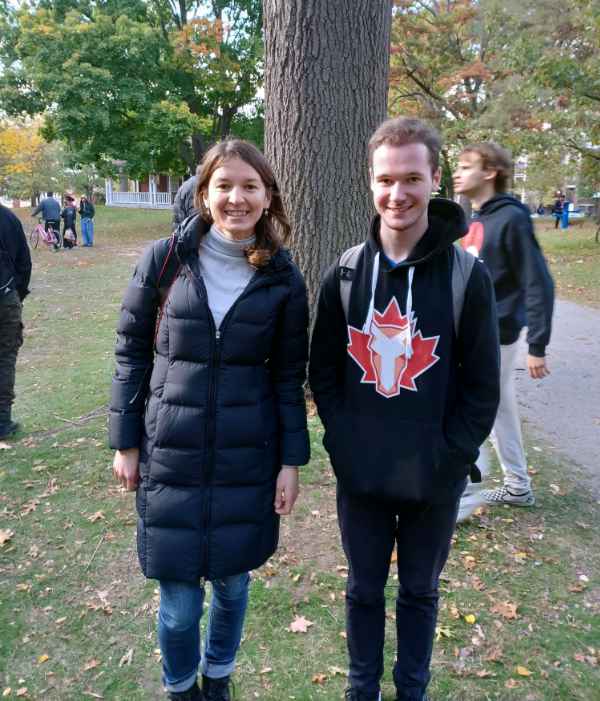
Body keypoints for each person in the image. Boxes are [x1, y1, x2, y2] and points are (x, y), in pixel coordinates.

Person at [110, 139, 310, 701]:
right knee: (177, 606)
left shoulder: (284, 280)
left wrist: (292, 461)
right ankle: (180, 687)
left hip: (247, 457)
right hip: (169, 453)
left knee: (231, 584)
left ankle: (217, 676)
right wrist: (125, 443)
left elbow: (288, 377)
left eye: (250, 186)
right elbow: (130, 352)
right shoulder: (165, 260)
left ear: (268, 196)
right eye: (224, 185)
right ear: (204, 194)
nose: (237, 198)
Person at [309, 117, 500, 701]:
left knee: (419, 592)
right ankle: (361, 689)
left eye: (412, 178)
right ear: (370, 183)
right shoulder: (345, 272)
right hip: (362, 477)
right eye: (386, 179)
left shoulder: (466, 276)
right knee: (363, 591)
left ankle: (411, 689)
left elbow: (482, 388)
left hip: (433, 479)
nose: (398, 193)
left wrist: (449, 461)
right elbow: (324, 372)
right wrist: (343, 445)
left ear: (434, 178)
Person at [453, 142, 554, 517]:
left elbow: (538, 282)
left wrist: (538, 345)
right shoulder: (478, 219)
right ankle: (517, 486)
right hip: (478, 331)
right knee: (500, 409)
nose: (459, 173)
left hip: (498, 333)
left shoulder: (512, 218)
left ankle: (463, 493)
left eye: (467, 167)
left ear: (491, 172)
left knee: (474, 403)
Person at [0, 204, 32, 439]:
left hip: (7, 295)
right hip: (6, 297)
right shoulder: (8, 218)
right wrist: (15, 294)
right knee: (5, 358)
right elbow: (24, 263)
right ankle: (2, 420)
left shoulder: (8, 217)